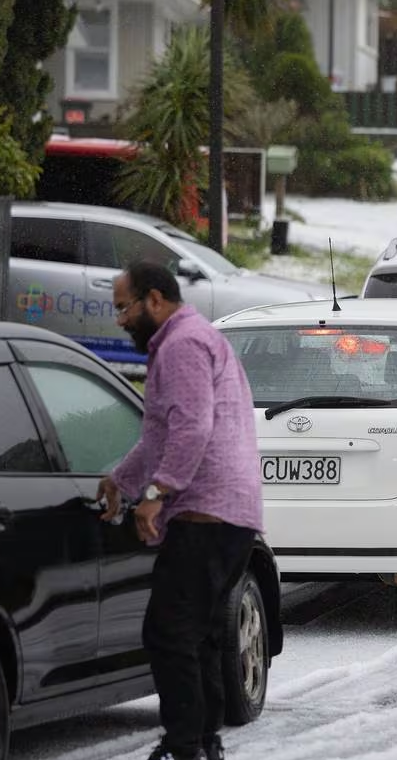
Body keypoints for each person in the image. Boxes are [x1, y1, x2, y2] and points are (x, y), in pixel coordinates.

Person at [98, 260, 264, 760]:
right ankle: (203, 741)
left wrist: (156, 495)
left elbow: (191, 429)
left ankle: (184, 745)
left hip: (206, 515)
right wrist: (121, 482)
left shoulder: (182, 345)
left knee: (168, 633)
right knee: (201, 634)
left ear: (154, 299)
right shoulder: (191, 340)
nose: (120, 320)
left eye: (124, 308)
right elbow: (159, 437)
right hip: (229, 515)